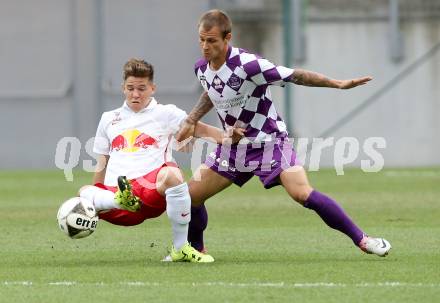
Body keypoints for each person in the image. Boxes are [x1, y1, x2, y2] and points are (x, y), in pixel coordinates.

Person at [175, 9, 392, 257]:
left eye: (211, 40)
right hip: (234, 147)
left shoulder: (249, 64)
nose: (205, 46)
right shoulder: (201, 68)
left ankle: (363, 240)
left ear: (227, 38)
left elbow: (295, 75)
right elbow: (212, 91)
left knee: (302, 193)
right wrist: (192, 119)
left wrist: (336, 83)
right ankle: (195, 251)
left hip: (270, 143)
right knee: (190, 196)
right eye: (201, 39)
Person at [78, 58, 243, 263]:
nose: (135, 94)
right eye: (130, 88)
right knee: (84, 192)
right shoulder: (108, 118)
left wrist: (227, 137)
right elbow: (102, 161)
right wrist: (96, 200)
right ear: (123, 88)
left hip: (149, 194)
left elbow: (200, 129)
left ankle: (181, 247)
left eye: (142, 88)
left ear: (152, 88)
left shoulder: (165, 113)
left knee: (172, 174)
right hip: (116, 201)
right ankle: (118, 199)